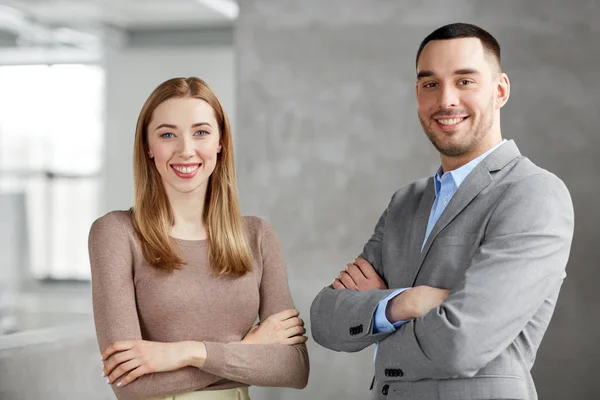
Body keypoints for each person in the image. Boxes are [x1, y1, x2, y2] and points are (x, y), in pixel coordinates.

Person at [310, 22, 574, 400]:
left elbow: (461, 343)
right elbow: (324, 318)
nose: (446, 100)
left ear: (500, 91)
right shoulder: (405, 202)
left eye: (465, 81)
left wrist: (377, 322)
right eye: (430, 83)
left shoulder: (534, 193)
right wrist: (407, 301)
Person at [89, 77, 309, 400]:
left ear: (220, 142)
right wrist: (248, 350)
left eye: (201, 132)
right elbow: (130, 384)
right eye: (167, 135)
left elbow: (294, 367)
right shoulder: (116, 234)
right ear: (148, 147)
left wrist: (189, 353)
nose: (186, 150)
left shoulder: (257, 236)